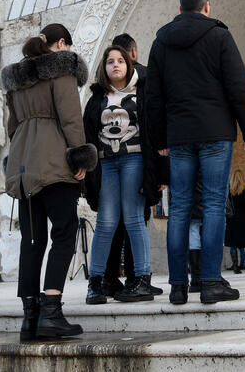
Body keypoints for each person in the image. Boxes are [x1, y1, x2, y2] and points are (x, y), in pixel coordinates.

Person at [146, 0, 245, 305]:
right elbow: (238, 86)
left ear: (180, 9)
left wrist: (159, 140)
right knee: (213, 205)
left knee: (179, 207)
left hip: (179, 136)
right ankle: (210, 282)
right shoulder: (219, 36)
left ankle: (178, 286)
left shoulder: (161, 42)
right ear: (207, 7)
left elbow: (153, 97)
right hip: (215, 132)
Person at [0, 23, 96, 341]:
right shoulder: (61, 70)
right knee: (65, 233)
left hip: (24, 165)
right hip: (54, 162)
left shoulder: (17, 80)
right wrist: (79, 157)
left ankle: (30, 317)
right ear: (61, 43)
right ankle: (51, 312)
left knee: (32, 240)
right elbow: (70, 118)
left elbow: (12, 127)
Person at [82, 44, 160, 306]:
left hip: (134, 160)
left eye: (120, 61)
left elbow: (154, 131)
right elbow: (86, 133)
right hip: (105, 163)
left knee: (134, 218)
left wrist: (159, 172)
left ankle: (142, 278)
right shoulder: (97, 99)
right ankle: (95, 282)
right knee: (106, 222)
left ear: (129, 65)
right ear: (103, 68)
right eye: (110, 61)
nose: (115, 65)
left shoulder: (142, 93)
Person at [103, 33, 142, 297]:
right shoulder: (145, 79)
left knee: (115, 223)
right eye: (111, 61)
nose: (117, 65)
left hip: (116, 161)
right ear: (134, 53)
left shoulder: (101, 93)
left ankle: (110, 277)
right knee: (133, 221)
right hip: (130, 160)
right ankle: (135, 276)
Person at [226, 171, 245, 273]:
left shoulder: (229, 191)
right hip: (243, 219)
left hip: (232, 219)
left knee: (233, 244)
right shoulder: (244, 190)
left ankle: (235, 267)